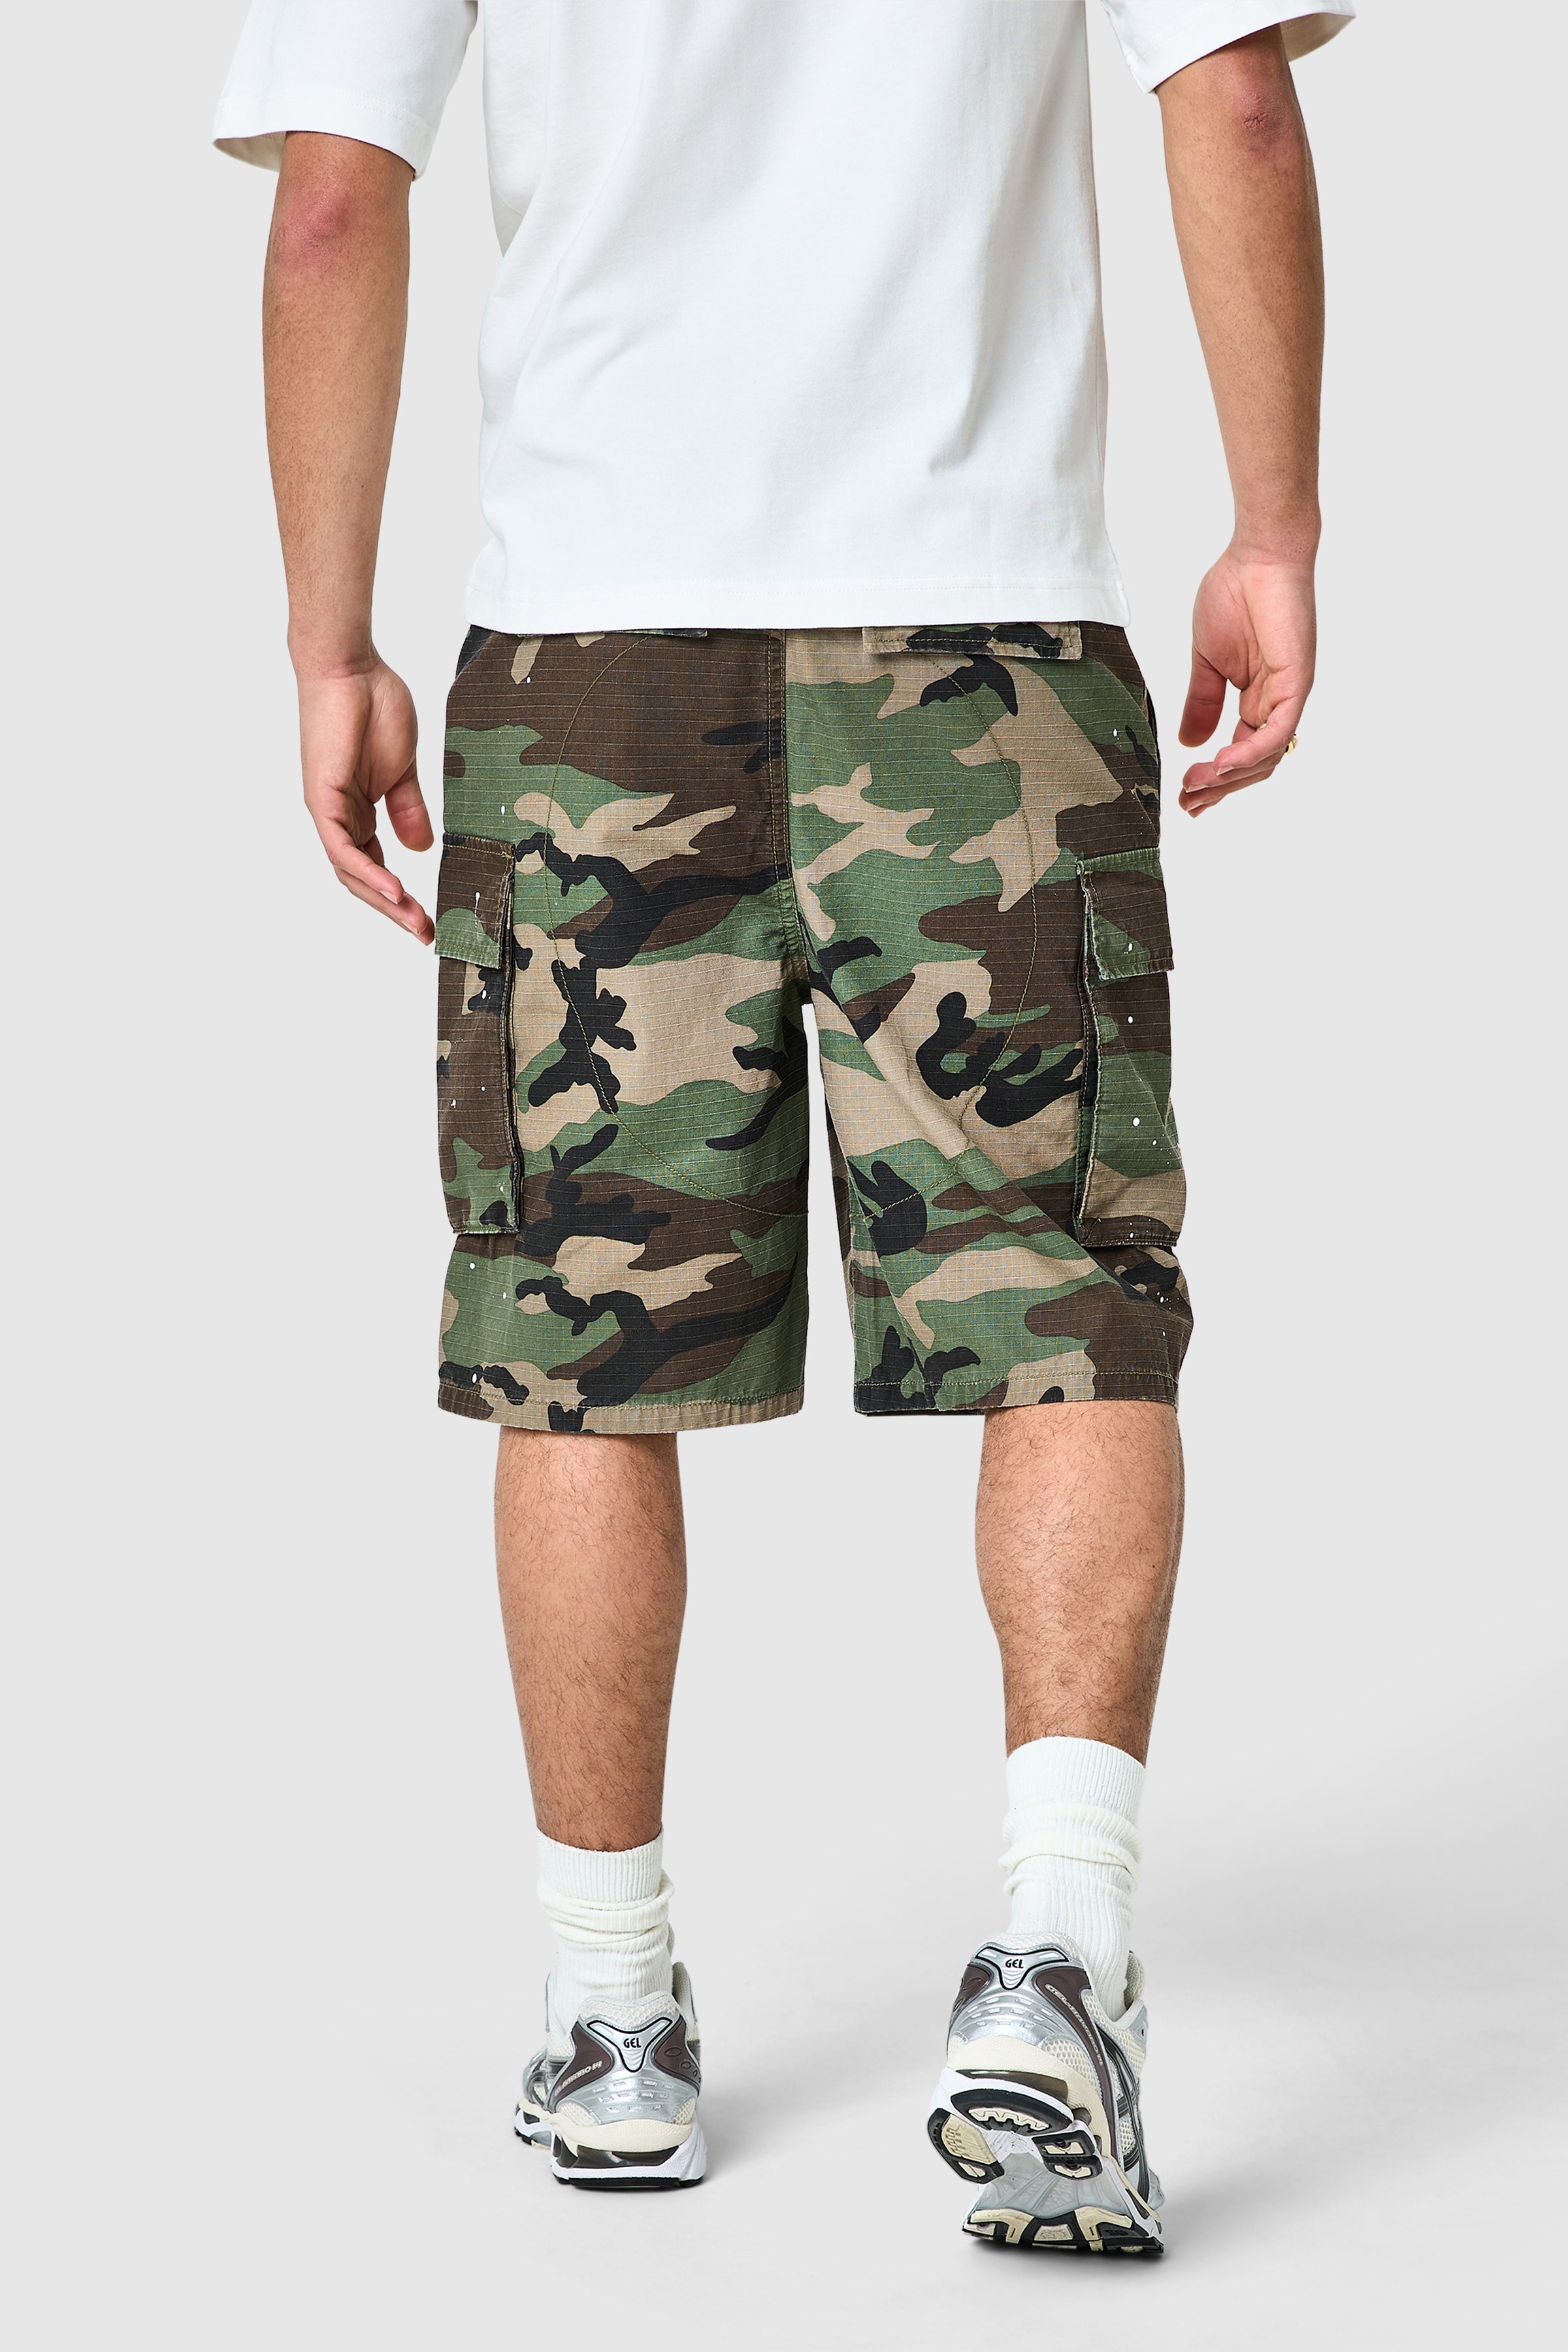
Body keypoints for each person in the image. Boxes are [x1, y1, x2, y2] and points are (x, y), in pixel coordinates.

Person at [216, 0, 1349, 2251]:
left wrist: (326, 640)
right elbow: (1230, 90)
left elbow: (337, 203)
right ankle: (1056, 1963)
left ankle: (611, 2016)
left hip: (589, 664)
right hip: (985, 639)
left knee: (583, 1343)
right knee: (1063, 1309)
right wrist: (1276, 524)